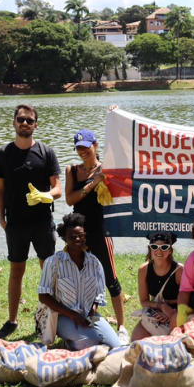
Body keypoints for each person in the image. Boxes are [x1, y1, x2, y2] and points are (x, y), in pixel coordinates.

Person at [0, 104, 62, 340]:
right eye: (20, 119)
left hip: (43, 223)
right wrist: (1, 218)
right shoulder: (3, 153)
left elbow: (58, 189)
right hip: (16, 224)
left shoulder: (46, 152)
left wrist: (46, 196)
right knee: (16, 271)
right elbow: (0, 189)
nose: (24, 123)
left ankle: (52, 316)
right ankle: (12, 321)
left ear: (36, 125)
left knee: (48, 270)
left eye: (29, 120)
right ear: (14, 123)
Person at [65, 129, 129, 345]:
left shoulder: (106, 169)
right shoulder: (72, 171)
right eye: (79, 147)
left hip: (101, 231)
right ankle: (87, 320)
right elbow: (69, 198)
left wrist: (116, 118)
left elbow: (124, 155)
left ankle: (121, 326)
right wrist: (92, 184)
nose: (83, 151)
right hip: (78, 235)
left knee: (110, 277)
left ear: (96, 145)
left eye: (86, 146)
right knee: (81, 278)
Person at [37, 213, 121, 351]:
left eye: (81, 235)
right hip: (62, 317)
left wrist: (92, 312)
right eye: (72, 236)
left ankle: (80, 341)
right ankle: (70, 343)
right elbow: (43, 295)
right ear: (64, 238)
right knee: (90, 340)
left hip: (88, 316)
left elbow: (99, 295)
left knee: (116, 347)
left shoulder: (94, 263)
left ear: (85, 236)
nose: (77, 239)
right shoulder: (53, 262)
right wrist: (72, 314)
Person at [131, 232, 183, 341]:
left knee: (170, 344)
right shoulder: (143, 269)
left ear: (170, 250)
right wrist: (162, 307)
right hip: (156, 309)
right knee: (136, 340)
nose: (159, 251)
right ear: (150, 249)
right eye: (154, 247)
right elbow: (144, 302)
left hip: (177, 310)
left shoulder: (180, 270)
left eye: (164, 247)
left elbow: (188, 300)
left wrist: (172, 312)